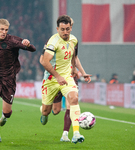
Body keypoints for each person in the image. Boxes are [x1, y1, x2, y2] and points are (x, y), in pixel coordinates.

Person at [39, 15, 91, 144]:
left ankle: (76, 133)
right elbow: (45, 62)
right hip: (51, 79)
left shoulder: (74, 40)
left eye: (67, 29)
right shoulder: (53, 42)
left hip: (67, 77)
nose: (65, 32)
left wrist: (76, 70)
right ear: (57, 29)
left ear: (71, 28)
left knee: (74, 98)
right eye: (62, 29)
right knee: (50, 111)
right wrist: (57, 76)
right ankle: (43, 113)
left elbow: (74, 56)